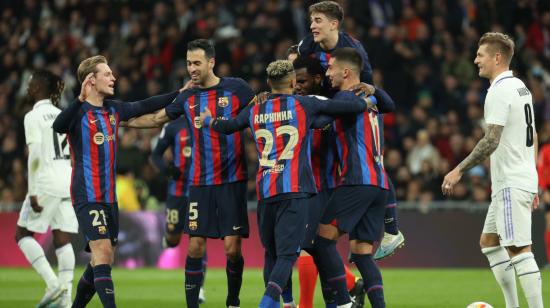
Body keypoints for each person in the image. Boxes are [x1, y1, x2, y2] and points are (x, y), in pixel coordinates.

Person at [200, 59, 373, 308]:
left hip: (265, 192)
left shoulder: (254, 110)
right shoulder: (304, 104)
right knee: (287, 255)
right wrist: (368, 100)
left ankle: (287, 304)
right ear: (292, 82)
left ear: (269, 83)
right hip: (295, 192)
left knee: (271, 255)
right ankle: (267, 304)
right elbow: (343, 109)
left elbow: (228, 126)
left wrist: (209, 121)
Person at [132, 39, 255, 308]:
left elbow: (258, 113)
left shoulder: (237, 89)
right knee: (195, 247)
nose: (192, 69)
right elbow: (155, 119)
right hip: (199, 182)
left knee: (232, 250)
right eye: (189, 63)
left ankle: (232, 301)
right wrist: (120, 117)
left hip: (232, 181)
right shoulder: (187, 97)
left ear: (211, 62)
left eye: (197, 63)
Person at [52, 55, 180, 308]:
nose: (114, 78)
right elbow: (58, 125)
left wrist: (180, 93)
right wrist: (79, 98)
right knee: (102, 252)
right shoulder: (78, 112)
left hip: (110, 198)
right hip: (87, 195)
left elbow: (146, 105)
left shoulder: (113, 110)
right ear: (91, 80)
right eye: (107, 74)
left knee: (101, 259)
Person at [442, 32, 543, 308]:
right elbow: (532, 137)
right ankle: (512, 305)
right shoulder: (521, 87)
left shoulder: (498, 91)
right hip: (517, 180)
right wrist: (532, 179)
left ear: (497, 58)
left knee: (519, 250)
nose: (476, 60)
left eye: (480, 55)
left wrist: (458, 170)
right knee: (489, 242)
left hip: (511, 182)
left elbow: (491, 139)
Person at [299, 0, 404, 261]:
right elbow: (299, 72)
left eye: (318, 21)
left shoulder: (353, 49)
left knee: (371, 161)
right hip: (326, 108)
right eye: (311, 20)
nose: (312, 26)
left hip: (351, 108)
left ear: (334, 24)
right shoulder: (306, 46)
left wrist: (369, 95)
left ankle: (391, 229)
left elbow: (364, 85)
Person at [313, 47, 395, 308]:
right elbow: (389, 105)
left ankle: (342, 303)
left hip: (356, 181)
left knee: (321, 241)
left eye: (330, 68)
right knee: (362, 255)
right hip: (378, 185)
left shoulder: (347, 98)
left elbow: (320, 118)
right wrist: (375, 92)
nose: (327, 73)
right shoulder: (370, 101)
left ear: (345, 72)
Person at [291, 55, 365, 308]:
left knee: (306, 247)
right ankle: (349, 284)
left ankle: (307, 305)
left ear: (316, 78)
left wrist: (372, 93)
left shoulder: (330, 104)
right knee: (314, 249)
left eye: (300, 79)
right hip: (301, 187)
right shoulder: (293, 105)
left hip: (325, 186)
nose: (296, 84)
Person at [14, 70, 78, 308]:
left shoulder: (33, 116)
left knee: (21, 234)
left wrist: (32, 191)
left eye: (31, 84)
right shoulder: (62, 114)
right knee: (62, 238)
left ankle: (53, 284)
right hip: (66, 179)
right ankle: (66, 300)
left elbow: (36, 155)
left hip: (45, 181)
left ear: (41, 87)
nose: (28, 88)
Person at [150, 117, 207, 303]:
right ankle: (169, 238)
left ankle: (199, 288)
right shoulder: (173, 126)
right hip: (177, 191)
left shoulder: (208, 120)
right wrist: (167, 170)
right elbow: (156, 155)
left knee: (198, 238)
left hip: (200, 190)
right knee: (174, 239)